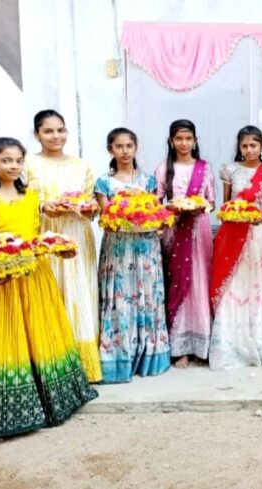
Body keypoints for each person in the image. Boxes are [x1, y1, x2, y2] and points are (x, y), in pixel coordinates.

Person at [0, 137, 96, 438]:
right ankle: (6, 415)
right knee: (7, 339)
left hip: (35, 275)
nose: (13, 166)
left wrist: (55, 247)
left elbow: (35, 235)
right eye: (6, 160)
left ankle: (51, 403)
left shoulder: (31, 197)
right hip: (1, 282)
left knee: (42, 334)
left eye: (18, 161)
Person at [24, 110, 101, 383]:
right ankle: (53, 362)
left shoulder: (82, 166)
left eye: (61, 130)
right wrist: (45, 207)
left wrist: (90, 208)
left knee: (81, 293)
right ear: (37, 134)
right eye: (48, 131)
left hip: (78, 235)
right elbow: (20, 201)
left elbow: (92, 206)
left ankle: (85, 367)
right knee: (52, 293)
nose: (56, 136)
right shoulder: (28, 164)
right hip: (47, 235)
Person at [94, 128, 171, 383]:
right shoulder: (104, 183)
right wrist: (124, 216)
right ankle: (118, 357)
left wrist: (156, 220)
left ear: (136, 148)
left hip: (146, 246)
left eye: (129, 146)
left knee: (147, 296)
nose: (125, 151)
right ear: (110, 150)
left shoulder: (148, 181)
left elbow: (155, 212)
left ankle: (149, 354)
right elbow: (106, 220)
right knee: (120, 297)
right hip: (119, 248)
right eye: (119, 146)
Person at [208, 125, 262, 370]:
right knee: (234, 287)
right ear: (239, 147)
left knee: (259, 285)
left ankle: (260, 341)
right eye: (245, 145)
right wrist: (235, 215)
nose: (249, 150)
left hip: (260, 237)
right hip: (233, 234)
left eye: (254, 145)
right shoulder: (230, 170)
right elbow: (226, 206)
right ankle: (231, 343)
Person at [155, 119, 215, 368]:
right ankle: (180, 348)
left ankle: (201, 346)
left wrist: (200, 206)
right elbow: (156, 204)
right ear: (171, 141)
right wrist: (171, 210)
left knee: (200, 284)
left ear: (195, 140)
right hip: (174, 230)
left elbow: (211, 201)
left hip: (199, 231)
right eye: (178, 138)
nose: (183, 143)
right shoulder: (162, 169)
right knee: (179, 286)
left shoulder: (205, 168)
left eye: (188, 138)